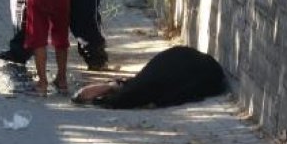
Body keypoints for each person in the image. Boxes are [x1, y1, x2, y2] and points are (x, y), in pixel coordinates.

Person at [70, 46, 227, 108]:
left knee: (139, 87)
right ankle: (108, 90)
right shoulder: (143, 85)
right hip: (192, 64)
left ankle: (108, 90)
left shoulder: (143, 85)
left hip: (193, 65)